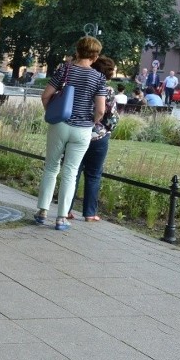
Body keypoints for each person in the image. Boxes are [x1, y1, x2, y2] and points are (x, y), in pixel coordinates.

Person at [34, 36, 107, 231]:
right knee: (70, 172)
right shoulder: (99, 78)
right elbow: (100, 110)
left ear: (77, 50)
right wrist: (91, 121)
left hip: (60, 124)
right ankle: (61, 218)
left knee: (51, 168)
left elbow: (45, 95)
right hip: (82, 130)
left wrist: (53, 112)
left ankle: (42, 211)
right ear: (95, 55)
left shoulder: (64, 69)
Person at [68, 56, 118, 223]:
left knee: (73, 171)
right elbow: (111, 118)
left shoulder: (80, 85)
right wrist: (106, 130)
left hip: (76, 131)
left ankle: (66, 209)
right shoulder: (108, 91)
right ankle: (90, 213)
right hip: (98, 137)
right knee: (94, 175)